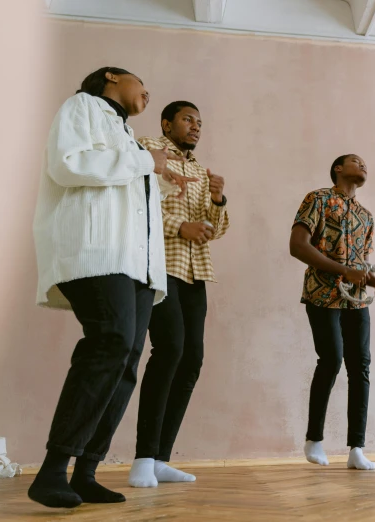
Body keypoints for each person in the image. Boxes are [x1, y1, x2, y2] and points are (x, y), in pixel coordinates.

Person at [29, 67, 196, 508]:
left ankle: (85, 471)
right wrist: (147, 162)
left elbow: (120, 190)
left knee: (126, 359)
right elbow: (68, 165)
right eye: (142, 83)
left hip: (136, 265)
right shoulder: (81, 106)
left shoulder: (126, 134)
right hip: (97, 253)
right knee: (111, 342)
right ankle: (51, 471)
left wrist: (157, 179)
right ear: (112, 77)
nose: (148, 92)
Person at [129, 101, 230, 487]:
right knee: (169, 349)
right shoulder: (147, 150)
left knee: (192, 359)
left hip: (195, 273)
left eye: (200, 122)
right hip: (158, 267)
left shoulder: (201, 172)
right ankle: (141, 458)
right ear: (166, 123)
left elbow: (215, 230)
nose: (195, 127)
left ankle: (158, 459)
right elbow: (137, 204)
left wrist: (218, 201)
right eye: (188, 119)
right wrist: (179, 226)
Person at [289, 154, 375, 471]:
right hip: (322, 294)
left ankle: (356, 449)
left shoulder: (366, 216)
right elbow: (298, 246)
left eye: (366, 162)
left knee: (360, 367)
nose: (363, 165)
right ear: (338, 169)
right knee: (332, 358)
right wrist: (343, 270)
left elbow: (360, 264)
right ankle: (314, 439)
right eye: (355, 161)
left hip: (356, 300)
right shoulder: (317, 199)